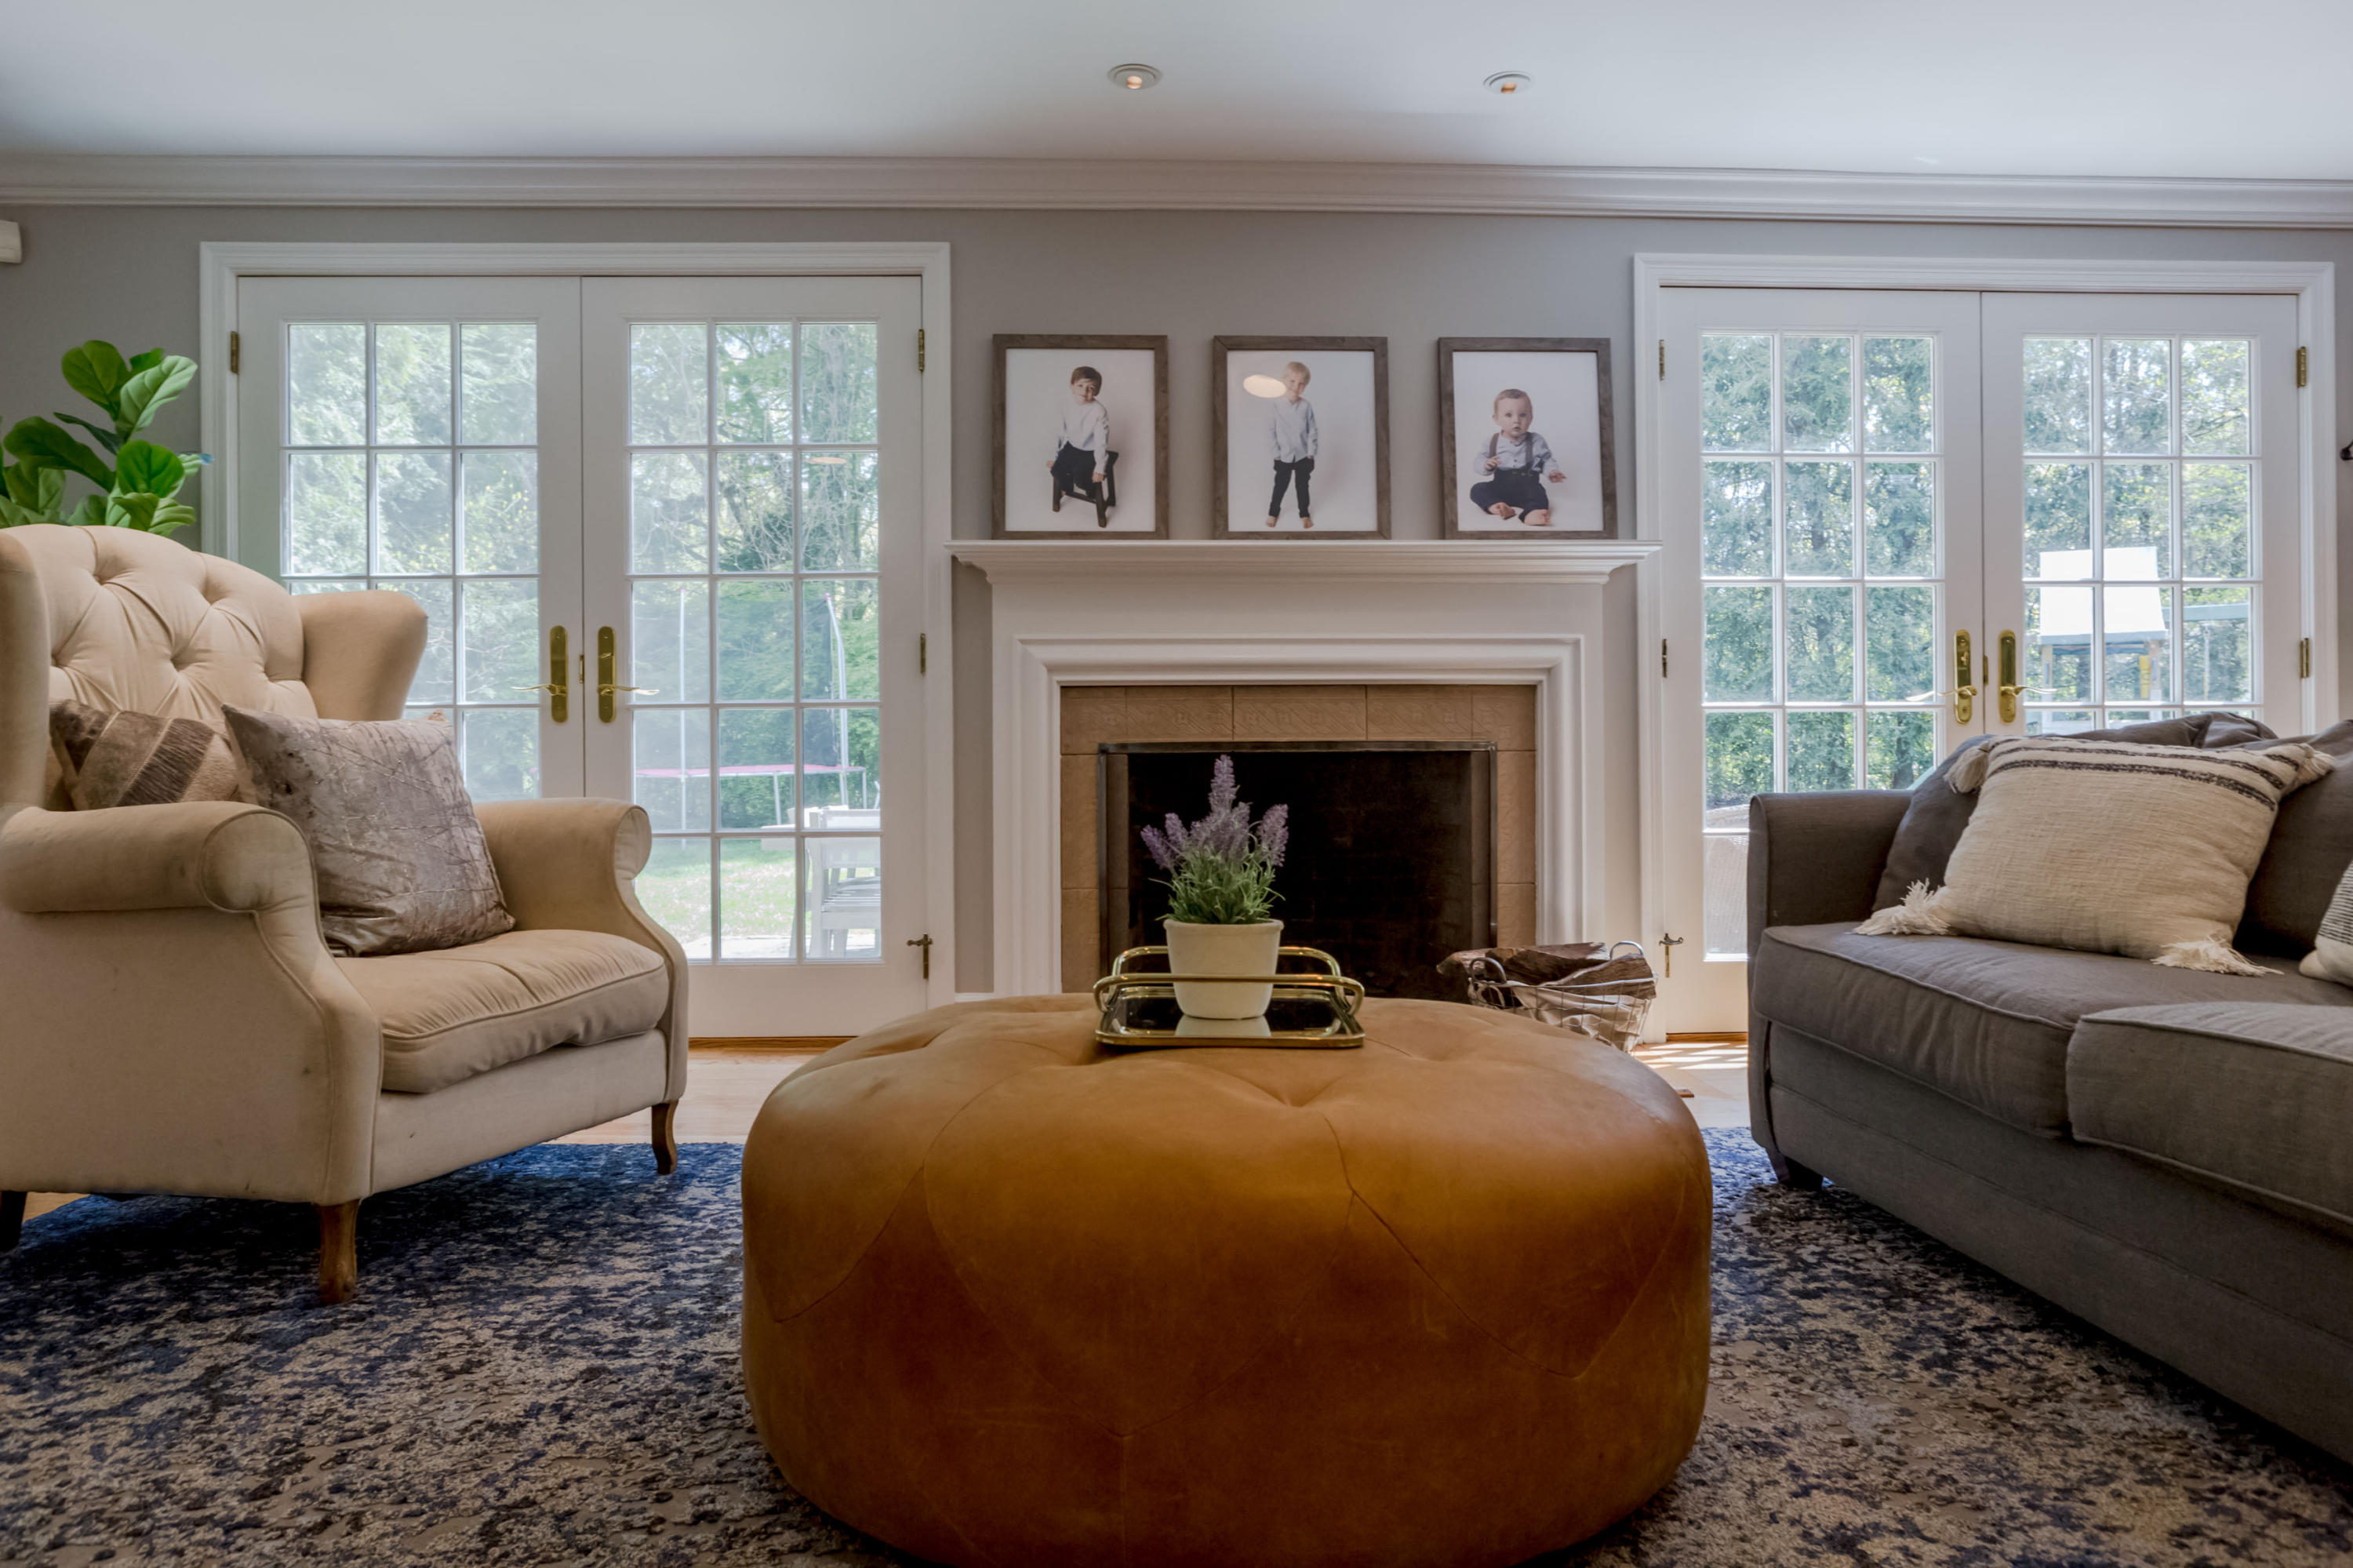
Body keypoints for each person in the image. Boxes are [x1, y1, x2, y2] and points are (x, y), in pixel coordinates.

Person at [1468, 387, 1568, 527]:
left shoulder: (1536, 441)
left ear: (1531, 418)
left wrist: (1552, 471)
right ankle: (1497, 506)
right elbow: (1479, 460)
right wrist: (1486, 465)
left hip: (1528, 488)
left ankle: (1530, 514)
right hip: (1500, 487)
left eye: (1523, 415)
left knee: (1540, 495)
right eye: (1508, 415)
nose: (1516, 420)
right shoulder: (1492, 441)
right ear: (1496, 419)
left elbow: (1546, 460)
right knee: (1477, 489)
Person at [1264, 361, 1318, 529]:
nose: (1296, 386)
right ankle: (1273, 512)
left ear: (1305, 386)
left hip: (1303, 455)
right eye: (1292, 381)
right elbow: (1271, 432)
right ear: (1283, 380)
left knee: (1302, 487)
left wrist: (1311, 453)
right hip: (1283, 456)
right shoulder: (1275, 405)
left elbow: (1312, 431)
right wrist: (1276, 455)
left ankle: (1304, 514)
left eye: (1302, 384)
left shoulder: (1306, 406)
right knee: (1280, 486)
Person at [1050, 365, 1110, 513]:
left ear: (1097, 391)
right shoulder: (1065, 405)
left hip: (1090, 450)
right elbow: (1061, 432)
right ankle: (1067, 488)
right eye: (1080, 386)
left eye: (1091, 388)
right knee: (1056, 470)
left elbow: (1101, 441)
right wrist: (1055, 456)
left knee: (1082, 479)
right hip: (1072, 446)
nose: (1084, 392)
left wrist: (1100, 466)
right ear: (1072, 386)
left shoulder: (1099, 411)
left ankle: (1091, 490)